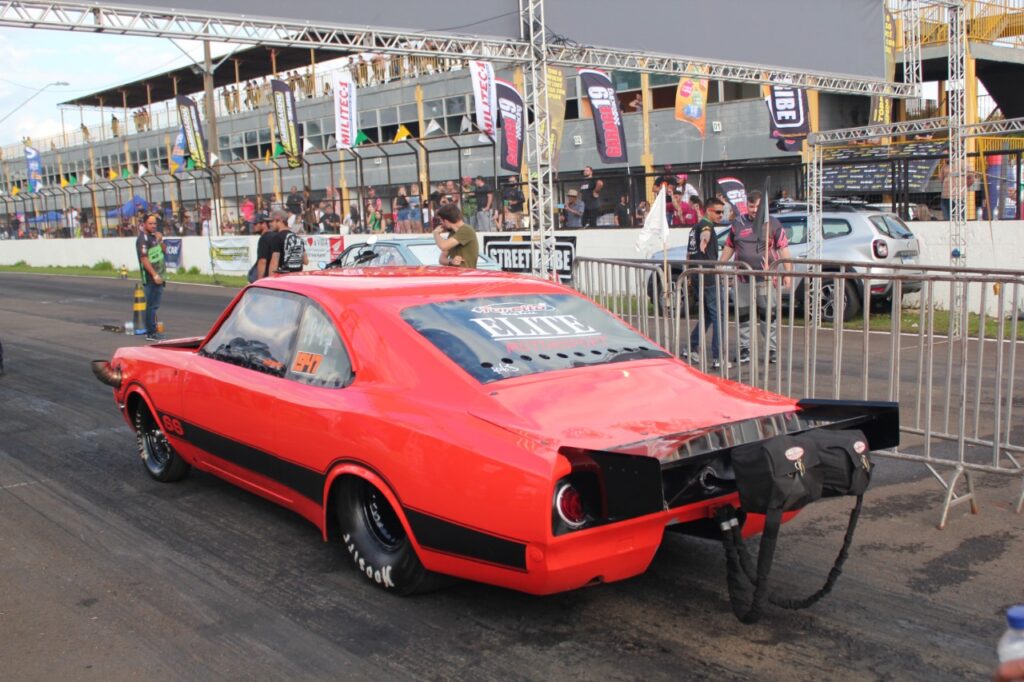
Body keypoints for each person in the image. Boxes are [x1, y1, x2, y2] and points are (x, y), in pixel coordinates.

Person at [719, 190, 793, 364]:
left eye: (757, 206)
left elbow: (784, 249)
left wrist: (787, 272)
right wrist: (720, 264)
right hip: (742, 278)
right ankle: (745, 349)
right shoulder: (738, 223)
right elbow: (729, 247)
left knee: (768, 316)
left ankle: (771, 350)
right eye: (751, 206)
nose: (753, 210)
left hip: (767, 278)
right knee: (743, 315)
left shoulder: (773, 224)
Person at [686, 197, 727, 368]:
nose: (720, 215)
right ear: (708, 211)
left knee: (708, 315)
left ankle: (692, 346)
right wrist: (704, 240)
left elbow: (688, 254)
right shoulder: (705, 226)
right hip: (708, 277)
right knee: (719, 316)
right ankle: (718, 357)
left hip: (697, 275)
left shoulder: (692, 229)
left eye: (722, 212)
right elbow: (705, 233)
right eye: (718, 212)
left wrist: (688, 274)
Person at [136, 213, 166, 341]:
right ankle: (151, 332)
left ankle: (152, 330)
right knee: (152, 305)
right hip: (151, 277)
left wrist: (161, 240)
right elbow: (144, 258)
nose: (154, 226)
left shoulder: (154, 237)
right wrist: (154, 274)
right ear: (143, 224)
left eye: (155, 223)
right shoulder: (143, 239)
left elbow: (164, 250)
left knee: (155, 305)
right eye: (150, 223)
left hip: (160, 275)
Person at [432, 203, 478, 268]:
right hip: (456, 275)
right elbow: (441, 259)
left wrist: (436, 233)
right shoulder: (453, 233)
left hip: (466, 275)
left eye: (441, 220)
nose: (441, 223)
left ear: (446, 220)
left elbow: (443, 246)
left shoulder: (466, 230)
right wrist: (451, 261)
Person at [268, 209, 308, 273]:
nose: (270, 224)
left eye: (271, 221)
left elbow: (274, 263)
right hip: (297, 277)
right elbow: (306, 261)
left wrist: (270, 280)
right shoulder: (297, 238)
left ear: (280, 220)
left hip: (283, 277)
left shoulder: (276, 238)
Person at [250, 213, 275, 281]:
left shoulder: (264, 238)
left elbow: (262, 261)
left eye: (255, 224)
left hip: (267, 276)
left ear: (264, 224)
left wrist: (259, 280)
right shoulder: (275, 235)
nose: (253, 226)